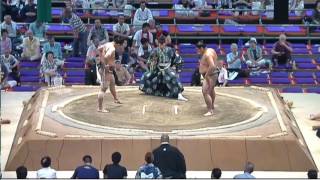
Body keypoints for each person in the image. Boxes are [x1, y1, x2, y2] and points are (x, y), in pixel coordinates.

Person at [139, 36, 187, 101]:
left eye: (162, 43)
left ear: (165, 43)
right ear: (158, 43)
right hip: (157, 69)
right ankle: (150, 90)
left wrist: (177, 70)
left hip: (167, 69)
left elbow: (178, 59)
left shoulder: (170, 50)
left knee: (173, 77)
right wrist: (153, 63)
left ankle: (179, 94)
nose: (161, 45)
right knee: (145, 76)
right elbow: (149, 62)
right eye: (160, 44)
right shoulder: (155, 51)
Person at [97, 36, 125, 112]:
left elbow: (99, 48)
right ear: (118, 44)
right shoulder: (112, 49)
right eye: (121, 45)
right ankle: (100, 108)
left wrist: (101, 61)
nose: (121, 47)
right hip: (107, 69)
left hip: (107, 69)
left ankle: (116, 99)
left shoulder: (108, 44)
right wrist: (105, 65)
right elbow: (106, 57)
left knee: (112, 82)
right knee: (104, 88)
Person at [197, 40, 219, 116]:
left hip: (210, 75)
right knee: (211, 90)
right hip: (213, 74)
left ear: (202, 48)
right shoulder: (211, 50)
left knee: (205, 91)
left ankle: (210, 110)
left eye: (198, 49)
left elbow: (212, 65)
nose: (198, 51)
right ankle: (212, 106)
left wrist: (206, 75)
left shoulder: (207, 55)